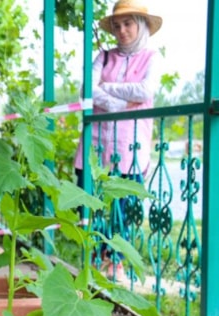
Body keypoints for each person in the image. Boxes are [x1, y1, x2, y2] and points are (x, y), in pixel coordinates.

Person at [74, 0, 162, 278]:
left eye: (128, 24)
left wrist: (108, 87)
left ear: (141, 25)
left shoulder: (152, 57)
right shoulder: (104, 57)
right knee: (88, 198)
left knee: (125, 205)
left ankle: (116, 260)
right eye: (117, 25)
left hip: (130, 144)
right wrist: (119, 104)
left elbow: (145, 90)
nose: (122, 30)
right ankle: (94, 256)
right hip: (96, 142)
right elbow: (87, 89)